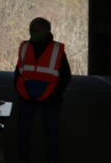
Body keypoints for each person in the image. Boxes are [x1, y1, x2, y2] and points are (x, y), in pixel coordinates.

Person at [14, 17, 72, 163]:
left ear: (46, 31)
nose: (32, 32)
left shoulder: (57, 50)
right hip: (27, 96)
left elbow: (66, 75)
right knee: (23, 131)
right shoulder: (25, 47)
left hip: (50, 98)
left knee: (51, 133)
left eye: (36, 30)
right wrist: (19, 89)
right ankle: (23, 158)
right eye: (31, 29)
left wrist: (55, 92)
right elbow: (18, 71)